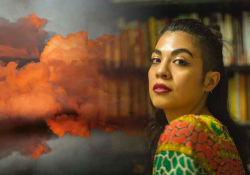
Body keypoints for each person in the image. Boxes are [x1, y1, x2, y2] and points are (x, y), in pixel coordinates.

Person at [143, 19, 250, 175]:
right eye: (156, 60)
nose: (161, 71)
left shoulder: (186, 132)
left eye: (179, 61)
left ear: (210, 81)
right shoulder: (215, 133)